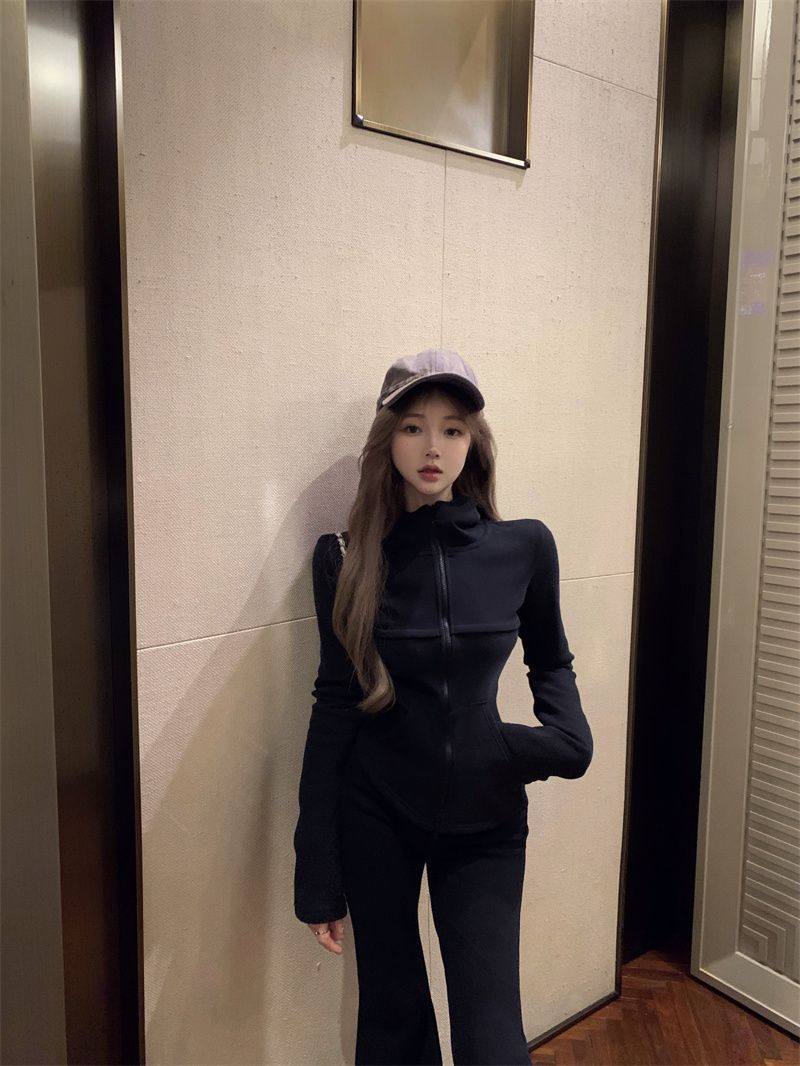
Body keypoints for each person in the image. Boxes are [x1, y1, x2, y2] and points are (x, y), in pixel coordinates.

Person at [293, 347, 594, 1066]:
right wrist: (317, 868)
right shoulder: (344, 557)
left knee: (491, 1037)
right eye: (414, 427)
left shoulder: (523, 546)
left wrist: (545, 744)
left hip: (486, 821)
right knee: (392, 1021)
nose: (433, 447)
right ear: (387, 441)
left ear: (473, 442)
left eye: (452, 429)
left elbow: (551, 660)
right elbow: (335, 705)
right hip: (377, 814)